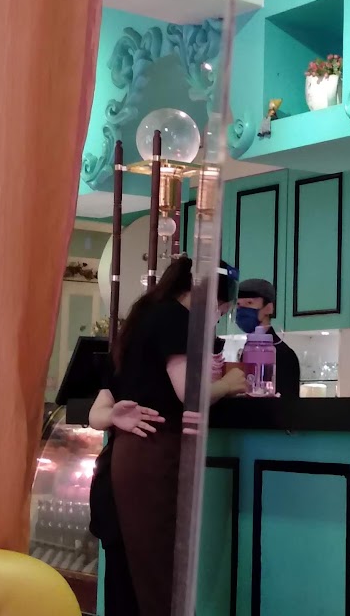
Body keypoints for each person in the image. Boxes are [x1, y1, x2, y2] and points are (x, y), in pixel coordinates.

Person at [88, 256, 246, 614]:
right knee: (157, 582)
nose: (217, 317)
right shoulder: (178, 319)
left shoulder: (139, 322)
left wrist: (115, 417)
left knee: (126, 580)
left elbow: (98, 412)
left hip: (121, 462)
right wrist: (229, 383)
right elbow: (189, 393)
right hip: (153, 462)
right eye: (222, 309)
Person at [234, 279, 302, 400]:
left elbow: (289, 404)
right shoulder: (248, 349)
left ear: (269, 308)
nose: (242, 308)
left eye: (249, 303)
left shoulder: (284, 354)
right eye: (238, 304)